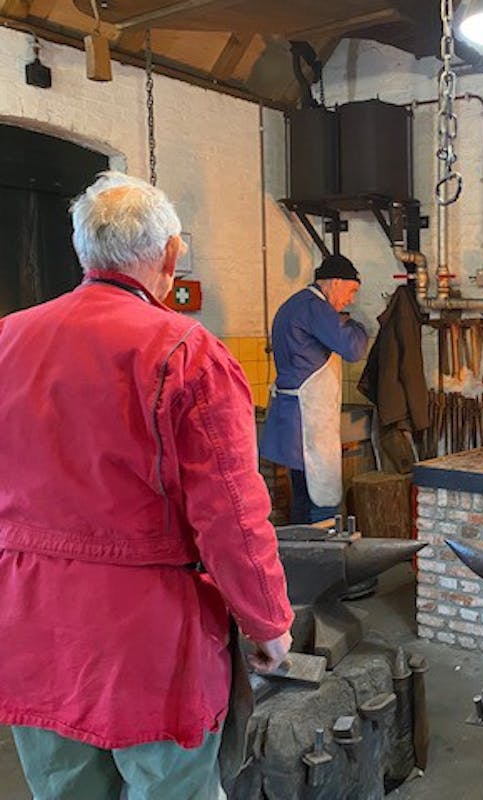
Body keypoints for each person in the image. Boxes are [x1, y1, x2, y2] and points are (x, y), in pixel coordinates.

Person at [0, 172, 294, 798]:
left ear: (84, 251)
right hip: (148, 644)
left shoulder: (7, 339)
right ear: (169, 254)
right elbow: (231, 515)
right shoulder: (186, 352)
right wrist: (268, 622)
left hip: (32, 626)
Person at [261, 254, 369, 523]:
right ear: (335, 282)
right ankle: (326, 548)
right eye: (351, 290)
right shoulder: (315, 308)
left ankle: (302, 548)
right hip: (308, 421)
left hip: (292, 419)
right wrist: (356, 326)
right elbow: (353, 349)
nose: (351, 300)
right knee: (323, 502)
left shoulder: (293, 305)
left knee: (302, 498)